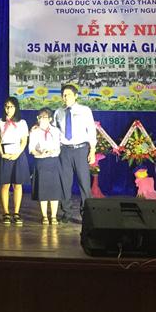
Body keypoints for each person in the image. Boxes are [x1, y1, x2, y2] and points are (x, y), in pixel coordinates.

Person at [53, 84, 96, 222]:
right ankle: (66, 212)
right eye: (64, 95)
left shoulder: (85, 110)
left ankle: (86, 214)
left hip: (81, 150)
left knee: (84, 183)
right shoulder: (58, 112)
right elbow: (54, 131)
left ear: (76, 96)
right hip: (64, 151)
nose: (66, 97)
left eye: (69, 95)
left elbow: (91, 130)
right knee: (65, 183)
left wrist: (92, 151)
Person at [0, 97, 29, 226]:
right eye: (7, 106)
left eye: (11, 106)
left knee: (18, 184)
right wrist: (2, 154)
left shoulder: (22, 122)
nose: (9, 109)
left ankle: (16, 212)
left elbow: (24, 141)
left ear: (16, 108)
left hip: (18, 154)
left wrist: (17, 154)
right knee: (5, 184)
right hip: (4, 154)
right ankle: (6, 213)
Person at [29, 108, 64, 224]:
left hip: (53, 162)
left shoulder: (56, 131)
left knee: (54, 190)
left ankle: (53, 216)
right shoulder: (34, 131)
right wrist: (40, 153)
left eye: (44, 117)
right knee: (42, 190)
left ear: (50, 119)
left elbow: (58, 148)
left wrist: (51, 151)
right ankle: (44, 216)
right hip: (41, 162)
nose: (41, 120)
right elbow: (31, 148)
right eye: (39, 117)